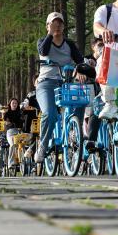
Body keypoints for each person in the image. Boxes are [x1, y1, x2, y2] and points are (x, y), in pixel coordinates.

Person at [35, 12, 86, 163]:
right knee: (49, 114)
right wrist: (50, 34)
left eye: (60, 23)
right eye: (53, 24)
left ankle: (74, 131)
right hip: (46, 83)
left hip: (65, 83)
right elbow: (43, 51)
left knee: (81, 100)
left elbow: (80, 61)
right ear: (47, 26)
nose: (57, 26)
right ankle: (43, 146)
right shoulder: (43, 41)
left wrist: (80, 70)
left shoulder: (69, 44)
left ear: (64, 26)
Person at [3, 97, 24, 166]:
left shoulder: (20, 112)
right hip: (10, 132)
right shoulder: (7, 113)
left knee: (23, 144)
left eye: (16, 103)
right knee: (12, 144)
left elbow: (23, 120)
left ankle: (24, 163)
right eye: (13, 103)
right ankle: (11, 163)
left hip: (19, 131)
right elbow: (4, 121)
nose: (14, 104)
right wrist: (7, 122)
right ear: (10, 104)